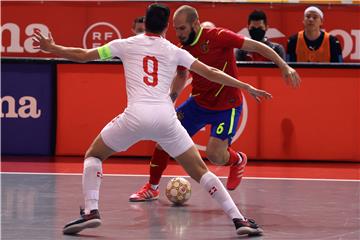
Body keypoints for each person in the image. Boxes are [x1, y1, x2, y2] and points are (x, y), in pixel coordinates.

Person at [33, 3, 278, 236]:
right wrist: (245, 85)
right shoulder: (174, 50)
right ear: (165, 28)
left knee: (94, 155)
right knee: (200, 171)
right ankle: (239, 220)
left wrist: (53, 48)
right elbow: (211, 72)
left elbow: (84, 55)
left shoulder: (125, 44)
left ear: (145, 23)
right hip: (165, 119)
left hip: (134, 117)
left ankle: (90, 211)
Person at [129, 5, 300, 202]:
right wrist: (171, 100)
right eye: (175, 29)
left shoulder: (219, 36)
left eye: (182, 28)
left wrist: (284, 66)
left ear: (195, 23)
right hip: (199, 103)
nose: (179, 33)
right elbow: (182, 75)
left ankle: (238, 159)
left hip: (227, 107)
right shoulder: (183, 48)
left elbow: (257, 46)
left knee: (215, 155)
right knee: (163, 141)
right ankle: (152, 187)